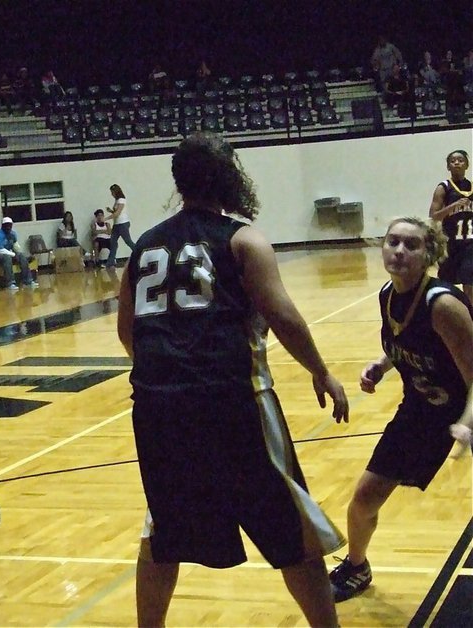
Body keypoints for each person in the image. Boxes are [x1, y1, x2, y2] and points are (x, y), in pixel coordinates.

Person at [116, 133, 349, 628]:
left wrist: (175, 367)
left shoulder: (144, 247)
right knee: (293, 531)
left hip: (158, 407)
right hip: (233, 400)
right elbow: (283, 315)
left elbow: (127, 330)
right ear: (229, 178)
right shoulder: (243, 238)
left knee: (163, 531)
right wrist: (321, 371)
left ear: (178, 183)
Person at [329, 217, 473, 602]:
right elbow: (405, 340)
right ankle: (357, 567)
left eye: (412, 245)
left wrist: (466, 424)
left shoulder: (442, 305)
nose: (399, 251)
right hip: (420, 412)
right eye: (393, 242)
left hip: (462, 412)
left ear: (430, 254)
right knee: (363, 499)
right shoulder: (387, 295)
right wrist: (381, 364)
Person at [429, 149, 473, 301]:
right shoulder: (443, 187)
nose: (457, 163)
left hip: (469, 244)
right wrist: (452, 206)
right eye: (453, 161)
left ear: (467, 165)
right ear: (448, 166)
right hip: (449, 244)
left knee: (470, 283)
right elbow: (433, 217)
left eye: (460, 160)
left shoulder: (472, 187)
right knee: (446, 285)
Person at [0, 216, 37, 290]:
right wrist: (13, 255)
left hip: (5, 254)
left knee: (21, 255)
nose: (8, 227)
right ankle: (10, 283)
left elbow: (16, 247)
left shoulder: (12, 234)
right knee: (7, 258)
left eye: (10, 225)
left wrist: (20, 255)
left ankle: (28, 281)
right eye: (6, 225)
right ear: (2, 226)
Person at [105, 183, 134, 268]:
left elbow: (118, 213)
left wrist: (106, 219)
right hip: (117, 224)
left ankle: (139, 252)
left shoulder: (121, 200)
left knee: (128, 241)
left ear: (116, 192)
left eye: (112, 192)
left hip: (123, 224)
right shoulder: (117, 201)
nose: (111, 194)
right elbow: (116, 212)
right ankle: (110, 263)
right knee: (113, 242)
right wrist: (111, 211)